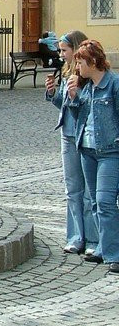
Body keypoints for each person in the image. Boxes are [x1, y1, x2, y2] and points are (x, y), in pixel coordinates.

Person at [67, 39, 119, 274]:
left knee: (106, 202)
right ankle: (102, 248)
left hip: (110, 152)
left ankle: (114, 253)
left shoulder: (113, 85)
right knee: (96, 203)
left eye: (80, 63)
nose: (77, 67)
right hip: (87, 151)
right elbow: (79, 115)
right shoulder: (87, 87)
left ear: (93, 62)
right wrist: (73, 97)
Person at [46, 30, 97, 256]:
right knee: (72, 189)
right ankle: (75, 236)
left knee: (88, 191)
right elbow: (66, 106)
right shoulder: (67, 73)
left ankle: (93, 239)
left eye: (64, 50)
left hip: (83, 137)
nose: (61, 55)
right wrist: (54, 93)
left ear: (76, 49)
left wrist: (76, 96)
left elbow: (87, 108)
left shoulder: (88, 75)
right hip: (67, 134)